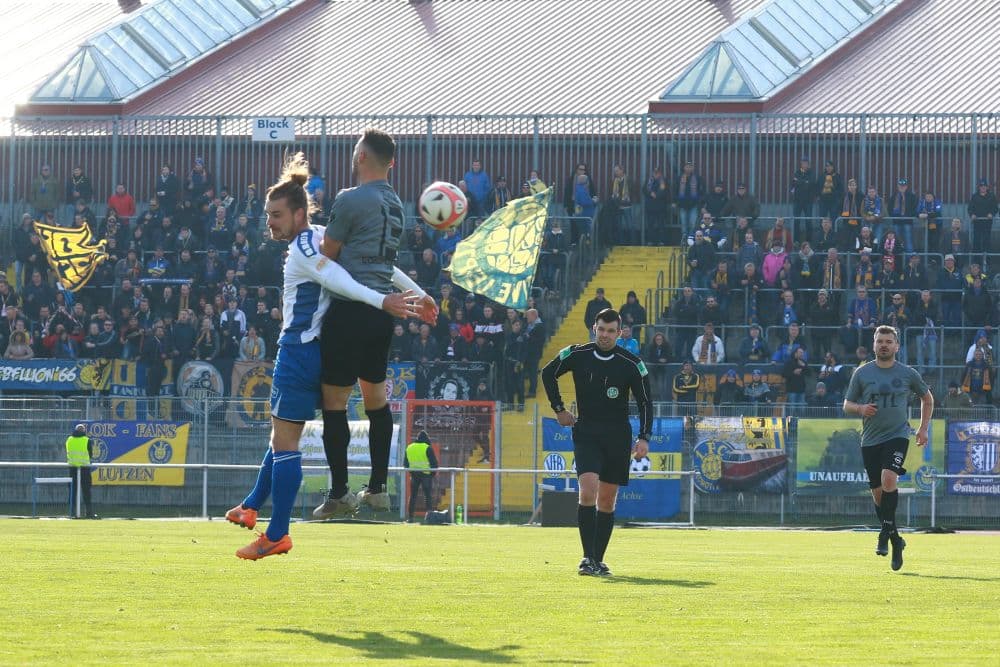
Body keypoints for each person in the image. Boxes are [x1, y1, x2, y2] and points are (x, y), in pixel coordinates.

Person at [224, 152, 421, 560]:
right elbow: (376, 266)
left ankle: (277, 533)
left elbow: (340, 278)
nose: (270, 222)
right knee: (281, 437)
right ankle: (250, 507)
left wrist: (385, 300)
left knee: (286, 445)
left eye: (275, 214)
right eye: (267, 214)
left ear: (299, 212)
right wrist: (418, 293)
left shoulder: (302, 248)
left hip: (297, 352)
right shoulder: (321, 238)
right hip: (320, 350)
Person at [312, 129, 438, 520]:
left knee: (334, 402)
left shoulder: (349, 199)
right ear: (392, 163)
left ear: (362, 156)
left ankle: (338, 493)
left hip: (350, 308)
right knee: (376, 400)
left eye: (355, 151)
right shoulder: (397, 205)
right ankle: (379, 488)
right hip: (384, 312)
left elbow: (326, 254)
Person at [541, 308, 652, 577]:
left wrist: (644, 437)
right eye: (601, 329)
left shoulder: (631, 363)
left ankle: (597, 560)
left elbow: (646, 401)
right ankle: (586, 557)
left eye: (611, 331)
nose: (605, 335)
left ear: (620, 332)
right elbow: (547, 373)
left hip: (617, 436)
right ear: (594, 328)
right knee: (588, 490)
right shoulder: (577, 354)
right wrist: (559, 409)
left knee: (607, 500)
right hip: (587, 431)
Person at [843, 325, 933, 571]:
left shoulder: (907, 373)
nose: (884, 344)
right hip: (870, 439)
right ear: (874, 345)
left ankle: (884, 531)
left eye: (889, 341)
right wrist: (860, 409)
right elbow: (847, 404)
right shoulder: (862, 373)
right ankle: (895, 539)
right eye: (880, 341)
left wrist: (923, 428)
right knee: (878, 494)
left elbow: (928, 398)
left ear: (897, 346)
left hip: (898, 435)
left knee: (889, 477)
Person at [404, 430, 439, 522]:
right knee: (427, 496)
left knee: (413, 496)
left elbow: (405, 464)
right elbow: (434, 464)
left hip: (414, 475)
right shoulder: (427, 448)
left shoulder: (409, 447)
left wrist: (412, 472)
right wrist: (432, 475)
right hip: (426, 475)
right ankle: (429, 518)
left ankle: (410, 518)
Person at [66, 424, 95, 519]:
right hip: (84, 468)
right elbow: (90, 454)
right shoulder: (87, 440)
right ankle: (89, 513)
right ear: (84, 431)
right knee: (86, 491)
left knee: (72, 492)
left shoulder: (69, 440)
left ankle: (72, 512)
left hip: (73, 468)